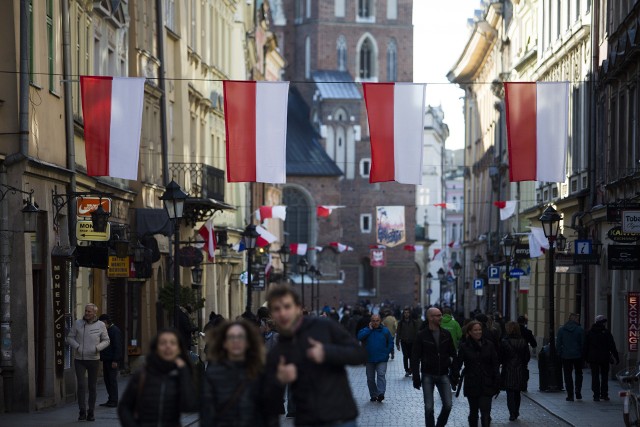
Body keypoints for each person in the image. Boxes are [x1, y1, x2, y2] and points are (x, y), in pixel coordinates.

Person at [264, 284, 367, 426]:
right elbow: (270, 402)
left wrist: (327, 352)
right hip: (308, 421)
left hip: (340, 418)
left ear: (298, 308)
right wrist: (280, 380)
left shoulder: (323, 326)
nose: (282, 313)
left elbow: (359, 354)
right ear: (271, 314)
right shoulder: (278, 349)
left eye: (287, 307)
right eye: (276, 309)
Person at [201, 320, 276, 426]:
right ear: (224, 343)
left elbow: (269, 413)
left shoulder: (260, 372)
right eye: (231, 337)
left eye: (240, 337)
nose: (236, 341)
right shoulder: (213, 374)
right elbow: (207, 413)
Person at [118, 329, 197, 426]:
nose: (168, 346)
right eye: (163, 343)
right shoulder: (143, 374)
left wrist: (184, 371)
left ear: (179, 349)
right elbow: (124, 407)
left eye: (173, 343)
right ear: (156, 348)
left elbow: (189, 406)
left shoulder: (181, 375)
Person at [411, 307, 456, 427]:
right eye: (438, 315)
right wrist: (415, 376)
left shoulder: (446, 334)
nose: (441, 317)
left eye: (440, 315)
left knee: (448, 405)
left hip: (443, 374)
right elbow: (415, 357)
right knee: (429, 408)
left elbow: (453, 353)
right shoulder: (422, 335)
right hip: (427, 375)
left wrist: (451, 364)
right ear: (430, 317)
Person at [66, 303, 110, 422]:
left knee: (92, 387)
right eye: (86, 311)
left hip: (93, 360)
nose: (86, 313)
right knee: (81, 385)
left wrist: (97, 348)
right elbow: (69, 337)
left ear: (95, 313)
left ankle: (91, 412)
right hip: (79, 359)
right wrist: (78, 346)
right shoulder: (78, 323)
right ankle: (82, 411)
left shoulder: (101, 325)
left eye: (89, 311)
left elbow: (106, 340)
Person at [452, 320, 500, 427]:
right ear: (469, 332)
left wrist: (497, 380)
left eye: (480, 330)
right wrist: (454, 376)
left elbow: (495, 363)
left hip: (487, 382)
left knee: (485, 413)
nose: (478, 332)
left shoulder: (489, 345)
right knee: (473, 413)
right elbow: (458, 364)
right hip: (472, 383)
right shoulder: (464, 347)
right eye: (475, 330)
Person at [358, 314, 394, 402]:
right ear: (370, 321)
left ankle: (381, 393)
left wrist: (386, 352)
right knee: (370, 378)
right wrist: (369, 330)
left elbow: (390, 342)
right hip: (369, 358)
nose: (375, 322)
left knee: (381, 375)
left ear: (380, 321)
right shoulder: (366, 330)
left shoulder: (385, 331)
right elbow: (359, 337)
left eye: (377, 320)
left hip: (382, 358)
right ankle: (373, 394)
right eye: (373, 321)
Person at [499, 321, 530, 421]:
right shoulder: (523, 341)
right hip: (520, 369)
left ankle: (512, 413)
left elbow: (501, 357)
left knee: (510, 393)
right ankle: (516, 411)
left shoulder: (504, 341)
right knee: (517, 392)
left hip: (508, 369)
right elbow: (527, 356)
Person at [584, 315, 620, 401]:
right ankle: (604, 394)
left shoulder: (590, 332)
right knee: (604, 377)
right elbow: (612, 345)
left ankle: (596, 395)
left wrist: (585, 358)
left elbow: (586, 346)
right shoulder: (606, 332)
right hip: (604, 357)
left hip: (593, 358)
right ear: (602, 323)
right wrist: (616, 357)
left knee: (595, 376)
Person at [557, 313, 585, 401]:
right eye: (577, 319)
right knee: (579, 373)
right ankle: (578, 391)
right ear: (575, 320)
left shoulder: (561, 330)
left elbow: (558, 344)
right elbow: (583, 343)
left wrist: (559, 353)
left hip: (566, 356)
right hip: (577, 355)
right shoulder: (580, 330)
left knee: (567, 375)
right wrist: (582, 354)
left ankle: (570, 394)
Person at [98, 314, 123, 408]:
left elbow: (117, 346)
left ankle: (114, 400)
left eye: (101, 323)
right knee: (107, 380)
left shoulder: (114, 331)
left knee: (112, 381)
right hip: (107, 359)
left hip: (112, 360)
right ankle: (111, 399)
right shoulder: (107, 330)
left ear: (105, 322)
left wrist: (115, 360)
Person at [396, 308, 421, 377]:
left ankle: (411, 369)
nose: (406, 314)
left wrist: (417, 342)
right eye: (405, 313)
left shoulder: (414, 322)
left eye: (407, 312)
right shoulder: (400, 323)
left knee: (412, 356)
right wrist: (397, 343)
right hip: (404, 341)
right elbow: (398, 333)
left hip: (412, 342)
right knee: (405, 356)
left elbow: (417, 333)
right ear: (403, 314)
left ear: (410, 314)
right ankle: (406, 370)